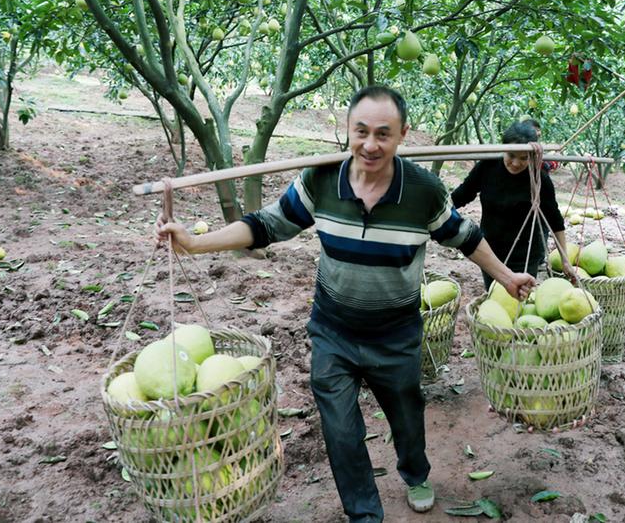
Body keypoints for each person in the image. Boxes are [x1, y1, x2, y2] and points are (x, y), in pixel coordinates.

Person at [157, 86, 536, 523]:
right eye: (361, 132)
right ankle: (364, 515)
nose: (370, 145)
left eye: (383, 134)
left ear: (402, 135)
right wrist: (195, 243)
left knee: (407, 417)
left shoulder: (423, 191)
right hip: (333, 331)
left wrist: (507, 277)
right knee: (339, 430)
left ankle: (415, 473)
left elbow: (465, 237)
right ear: (348, 130)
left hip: (396, 335)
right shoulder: (321, 180)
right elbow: (266, 226)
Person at [451, 121, 576, 289]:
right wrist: (435, 212)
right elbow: (461, 195)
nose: (516, 163)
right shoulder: (487, 167)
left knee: (519, 301)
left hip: (525, 256)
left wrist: (565, 260)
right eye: (511, 155)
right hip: (490, 253)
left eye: (524, 158)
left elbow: (555, 221)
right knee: (494, 296)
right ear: (503, 149)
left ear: (531, 156)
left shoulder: (539, 179)